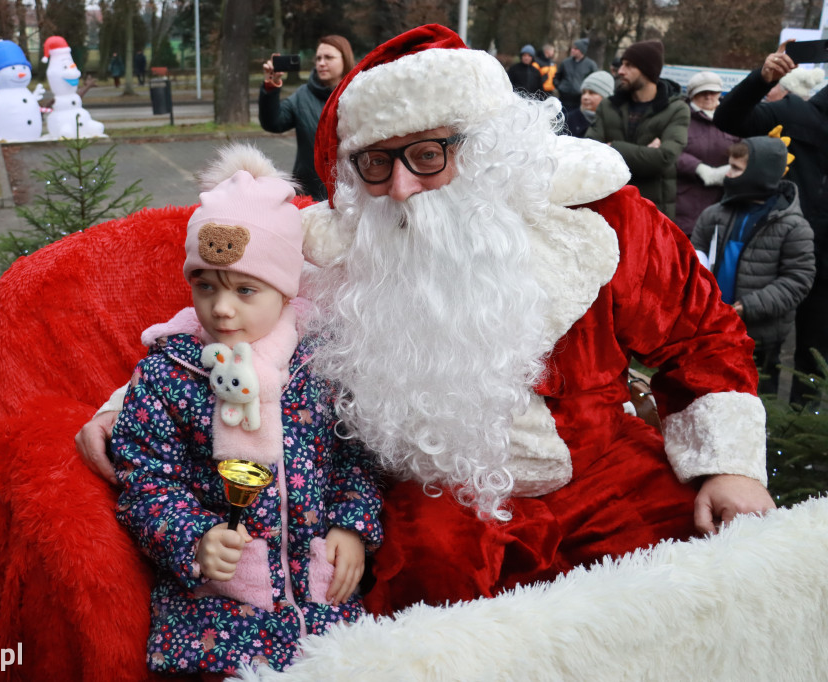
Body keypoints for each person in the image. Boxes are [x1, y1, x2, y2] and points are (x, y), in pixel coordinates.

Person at [299, 23, 774, 615]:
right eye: (375, 162)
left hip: (601, 465)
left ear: (485, 148)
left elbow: (701, 333)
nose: (399, 188)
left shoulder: (598, 218)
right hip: (445, 489)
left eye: (427, 155)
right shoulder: (346, 250)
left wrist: (730, 468)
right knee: (425, 593)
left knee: (697, 578)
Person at [110, 144, 382, 678]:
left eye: (245, 289)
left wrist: (351, 526)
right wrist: (192, 537)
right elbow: (145, 481)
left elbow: (358, 457)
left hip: (320, 598)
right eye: (205, 285)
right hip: (213, 611)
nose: (221, 307)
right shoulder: (169, 375)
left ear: (284, 292)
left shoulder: (319, 365)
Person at [713, 44, 828, 406]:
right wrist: (761, 80)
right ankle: (751, 434)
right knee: (761, 351)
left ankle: (797, 439)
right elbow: (728, 119)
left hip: (825, 268)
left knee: (813, 356)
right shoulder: (799, 112)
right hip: (778, 252)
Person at [691, 137, 814, 396]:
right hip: (712, 328)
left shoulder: (793, 226)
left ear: (760, 173)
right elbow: (696, 254)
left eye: (736, 168)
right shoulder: (714, 214)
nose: (728, 174)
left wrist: (749, 306)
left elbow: (797, 279)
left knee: (754, 398)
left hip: (759, 337)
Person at [587, 39, 690, 220]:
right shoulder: (608, 106)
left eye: (628, 65)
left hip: (652, 215)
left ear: (647, 69)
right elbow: (588, 152)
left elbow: (664, 158)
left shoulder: (676, 109)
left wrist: (612, 147)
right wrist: (645, 155)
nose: (620, 71)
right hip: (610, 211)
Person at [259, 35, 355, 201]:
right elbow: (273, 122)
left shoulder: (359, 93)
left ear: (345, 59)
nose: (321, 63)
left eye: (328, 57)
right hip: (310, 196)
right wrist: (270, 87)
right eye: (318, 58)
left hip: (353, 196)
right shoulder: (303, 95)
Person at [674, 71, 740, 235]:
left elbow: (744, 147)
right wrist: (698, 168)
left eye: (713, 92)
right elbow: (670, 151)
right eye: (702, 92)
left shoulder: (733, 117)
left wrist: (733, 168)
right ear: (692, 95)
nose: (709, 96)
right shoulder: (681, 118)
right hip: (686, 205)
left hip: (725, 203)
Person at [564, 69, 614, 137]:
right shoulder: (567, 121)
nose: (585, 97)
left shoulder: (614, 123)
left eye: (592, 93)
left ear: (605, 97)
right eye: (584, 92)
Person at [554, 38, 598, 113]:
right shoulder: (566, 62)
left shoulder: (590, 65)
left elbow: (594, 82)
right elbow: (557, 78)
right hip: (564, 99)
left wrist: (585, 93)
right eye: (572, 48)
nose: (572, 50)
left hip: (579, 102)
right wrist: (560, 87)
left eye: (576, 48)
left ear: (581, 51)